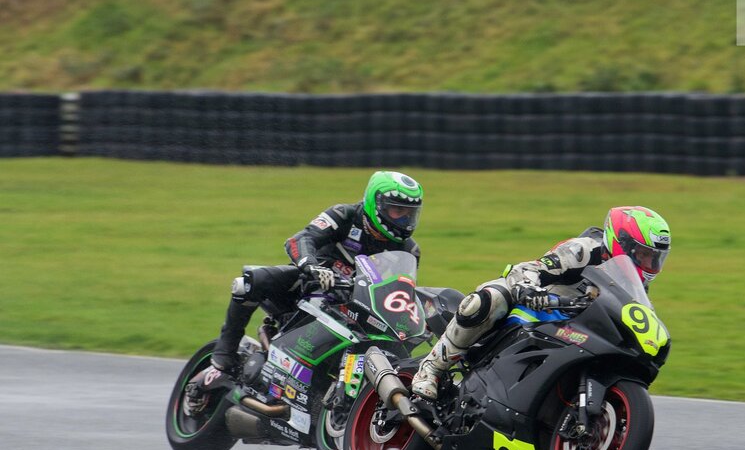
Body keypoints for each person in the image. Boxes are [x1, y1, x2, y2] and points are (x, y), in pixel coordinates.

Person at [411, 206, 670, 400]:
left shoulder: (634, 290)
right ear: (621, 243)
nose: (649, 265)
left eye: (654, 258)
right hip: (536, 307)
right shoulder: (585, 249)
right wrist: (528, 288)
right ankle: (432, 367)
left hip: (575, 331)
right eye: (644, 255)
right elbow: (534, 268)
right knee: (488, 300)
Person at [209, 170, 423, 373]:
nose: (404, 220)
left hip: (358, 306)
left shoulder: (409, 251)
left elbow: (400, 293)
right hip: (311, 285)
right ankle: (224, 352)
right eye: (398, 211)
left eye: (409, 214)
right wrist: (311, 265)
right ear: (376, 204)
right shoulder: (344, 215)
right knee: (252, 281)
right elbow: (301, 239)